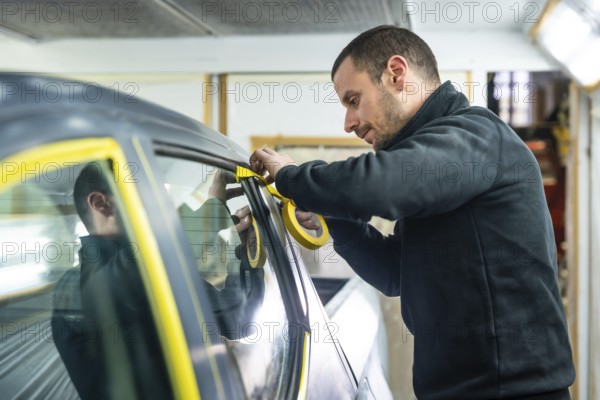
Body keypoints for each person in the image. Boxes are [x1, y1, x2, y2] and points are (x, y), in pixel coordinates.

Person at [250, 25, 575, 399]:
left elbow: (379, 185)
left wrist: (293, 177)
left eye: (354, 100)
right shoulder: (435, 157)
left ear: (396, 74)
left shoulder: (476, 137)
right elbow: (395, 273)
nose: (349, 123)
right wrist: (334, 217)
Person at [52, 162, 263, 399]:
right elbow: (123, 281)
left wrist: (247, 255)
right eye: (142, 197)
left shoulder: (161, 273)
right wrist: (212, 213)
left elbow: (237, 319)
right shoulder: (73, 291)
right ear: (102, 204)